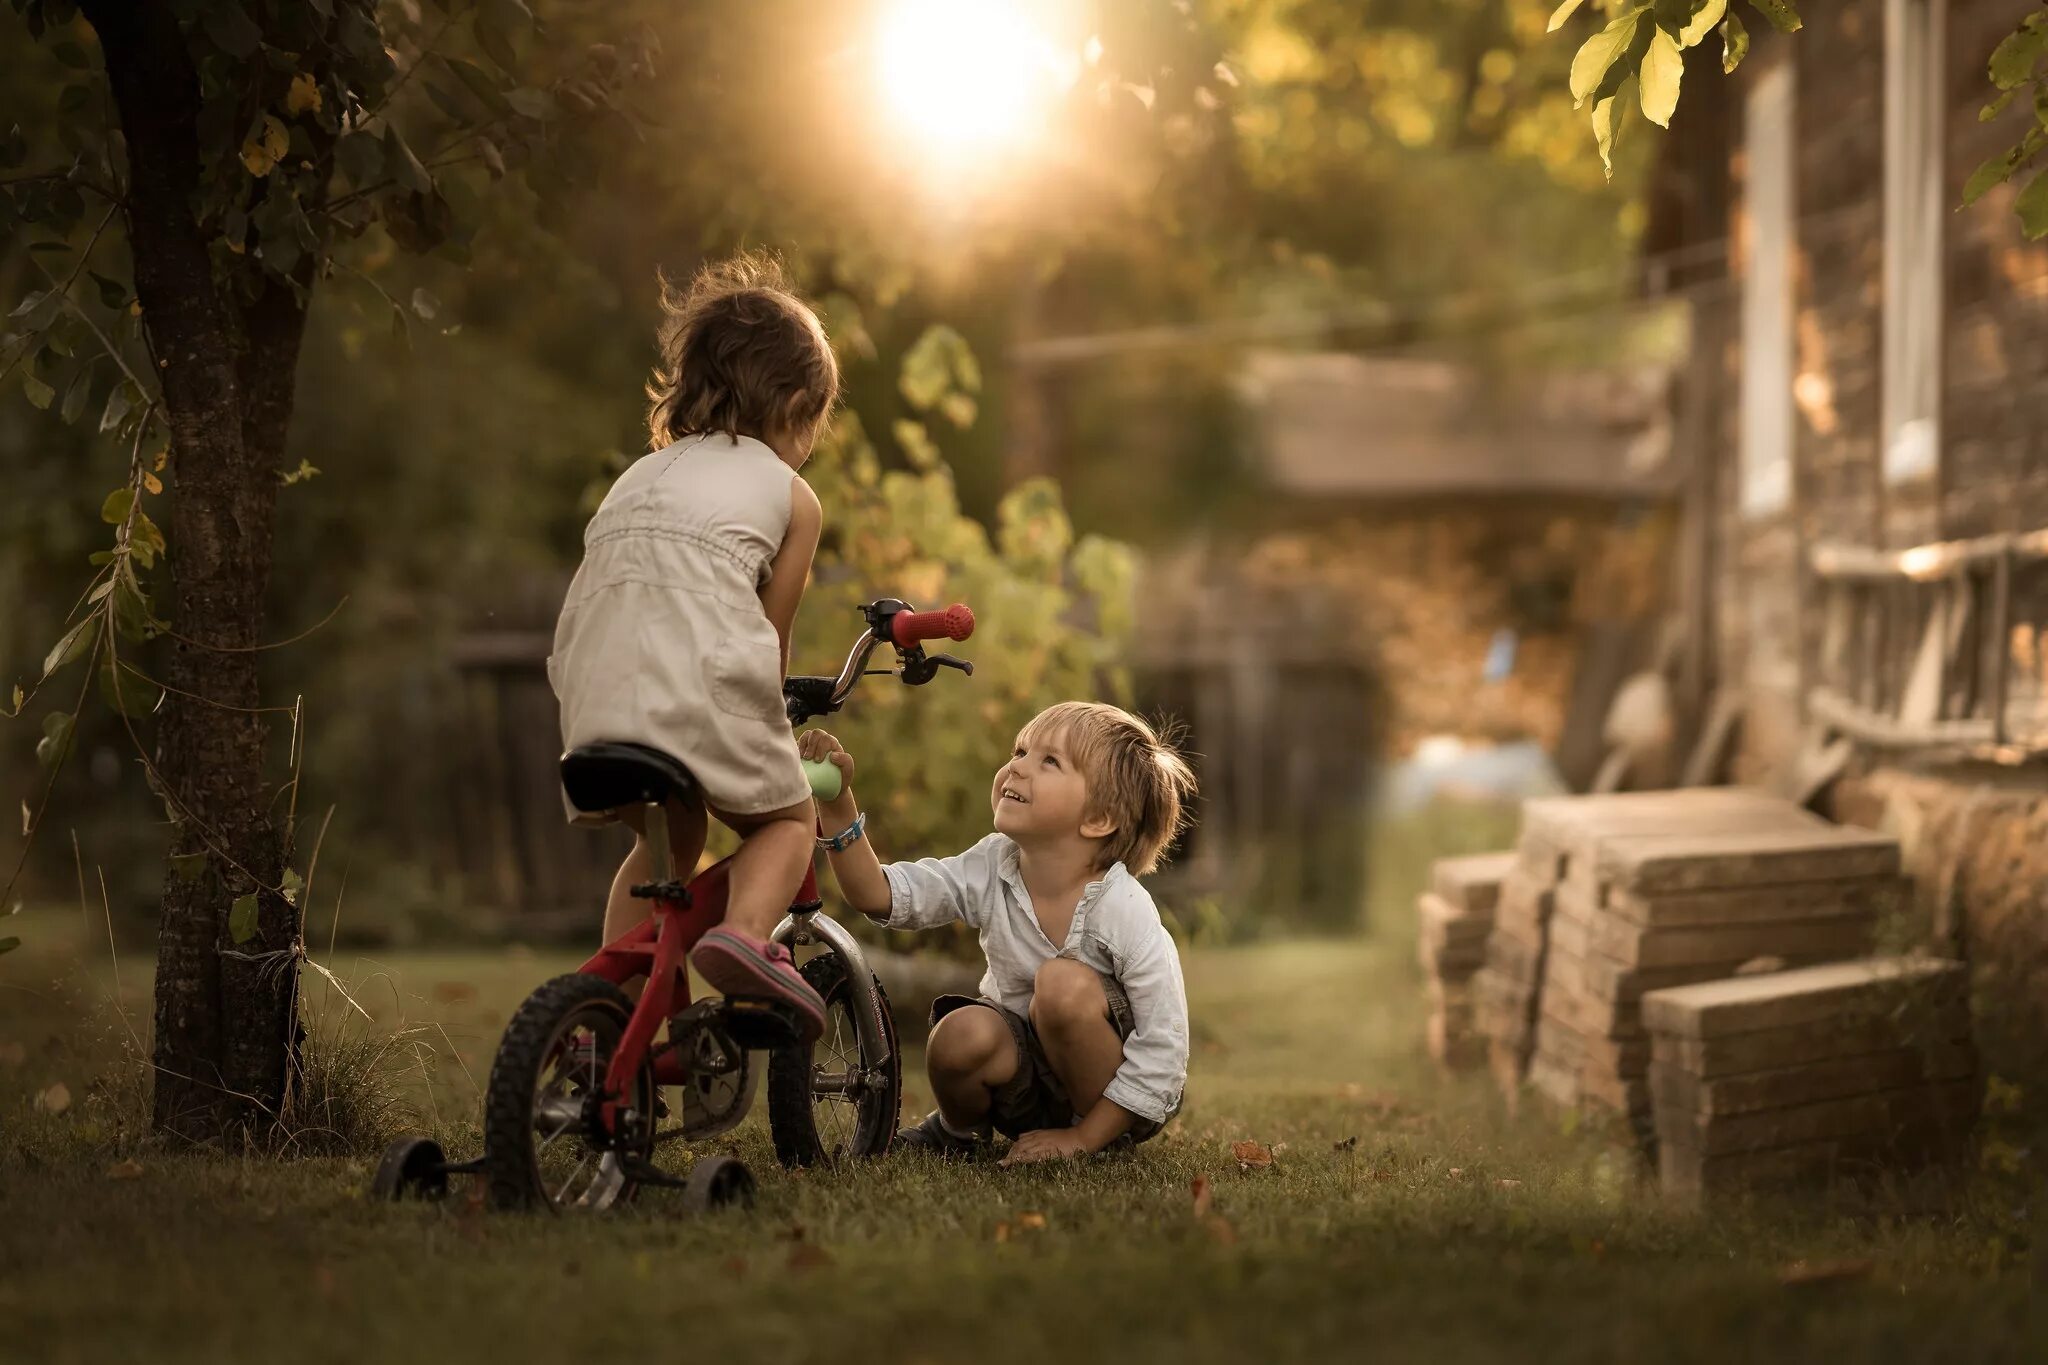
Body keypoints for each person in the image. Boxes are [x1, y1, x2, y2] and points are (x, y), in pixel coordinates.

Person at [549, 252, 837, 1042]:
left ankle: (613, 997)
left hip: (591, 688)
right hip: (703, 684)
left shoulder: (639, 474)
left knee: (664, 843)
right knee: (786, 818)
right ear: (801, 404)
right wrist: (772, 721)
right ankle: (743, 936)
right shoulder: (789, 494)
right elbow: (765, 641)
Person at [800, 702, 1198, 1162]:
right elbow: (880, 895)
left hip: (1114, 1094)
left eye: (1049, 761)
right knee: (959, 1033)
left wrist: (1085, 1136)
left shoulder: (1124, 908)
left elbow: (1164, 1044)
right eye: (1020, 750)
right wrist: (836, 803)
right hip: (1024, 1084)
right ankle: (960, 1133)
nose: (1017, 766)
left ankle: (1100, 1142)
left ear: (1098, 819)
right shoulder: (994, 864)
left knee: (1060, 985)